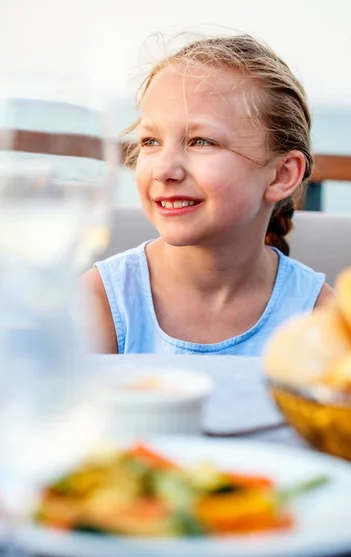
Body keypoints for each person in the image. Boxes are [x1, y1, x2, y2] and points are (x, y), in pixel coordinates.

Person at [83, 33, 335, 355]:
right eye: (151, 142)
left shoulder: (320, 320)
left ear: (281, 176)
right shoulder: (99, 303)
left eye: (201, 141)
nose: (163, 170)